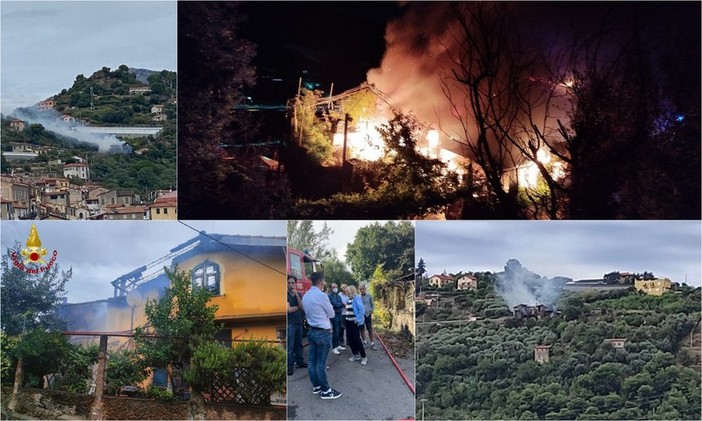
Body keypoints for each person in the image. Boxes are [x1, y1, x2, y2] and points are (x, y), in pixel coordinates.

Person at [301, 272, 342, 399]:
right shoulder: (322, 296)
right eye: (323, 281)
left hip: (311, 331)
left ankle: (316, 386)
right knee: (321, 363)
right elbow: (331, 314)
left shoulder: (306, 296)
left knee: (312, 361)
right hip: (323, 333)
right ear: (321, 281)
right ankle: (325, 390)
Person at [287, 277, 307, 376]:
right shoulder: (285, 295)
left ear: (295, 284)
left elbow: (302, 307)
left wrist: (297, 297)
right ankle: (289, 367)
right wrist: (298, 307)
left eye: (293, 283)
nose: (291, 285)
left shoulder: (298, 294)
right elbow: (289, 310)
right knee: (290, 347)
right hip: (290, 324)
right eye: (289, 283)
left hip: (299, 323)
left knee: (299, 344)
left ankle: (300, 362)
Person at [344, 285, 367, 365]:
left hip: (354, 322)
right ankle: (355, 355)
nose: (346, 292)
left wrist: (358, 319)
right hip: (348, 321)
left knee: (356, 339)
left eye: (347, 291)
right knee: (350, 339)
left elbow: (362, 309)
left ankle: (364, 357)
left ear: (351, 291)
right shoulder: (348, 299)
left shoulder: (356, 298)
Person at [327, 282, 346, 354]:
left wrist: (340, 304)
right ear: (331, 288)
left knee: (339, 330)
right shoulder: (330, 296)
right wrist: (341, 305)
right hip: (334, 315)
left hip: (339, 314)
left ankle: (337, 345)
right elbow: (335, 304)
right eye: (334, 287)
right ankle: (334, 347)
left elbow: (339, 303)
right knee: (335, 331)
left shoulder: (338, 296)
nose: (335, 289)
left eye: (336, 287)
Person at [359, 284, 376, 348]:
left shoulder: (369, 296)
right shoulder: (358, 297)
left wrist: (371, 310)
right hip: (361, 315)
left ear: (365, 289)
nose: (362, 290)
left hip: (368, 314)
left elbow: (372, 304)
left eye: (363, 289)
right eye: (360, 289)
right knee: (362, 328)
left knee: (369, 328)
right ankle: (364, 341)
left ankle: (372, 342)